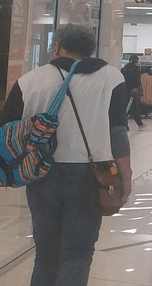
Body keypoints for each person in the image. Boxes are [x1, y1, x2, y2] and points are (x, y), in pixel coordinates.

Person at [1, 25, 132, 286]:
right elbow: (117, 131)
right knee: (77, 254)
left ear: (57, 46)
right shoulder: (112, 78)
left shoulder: (30, 80)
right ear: (91, 50)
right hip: (90, 176)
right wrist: (125, 174)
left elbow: (7, 129)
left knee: (46, 254)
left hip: (41, 174)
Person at [121, 54, 145, 129]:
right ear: (137, 61)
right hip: (132, 90)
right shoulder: (136, 69)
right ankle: (138, 123)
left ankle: (127, 124)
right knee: (132, 107)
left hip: (124, 89)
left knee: (126, 107)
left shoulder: (124, 68)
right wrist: (136, 87)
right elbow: (136, 79)